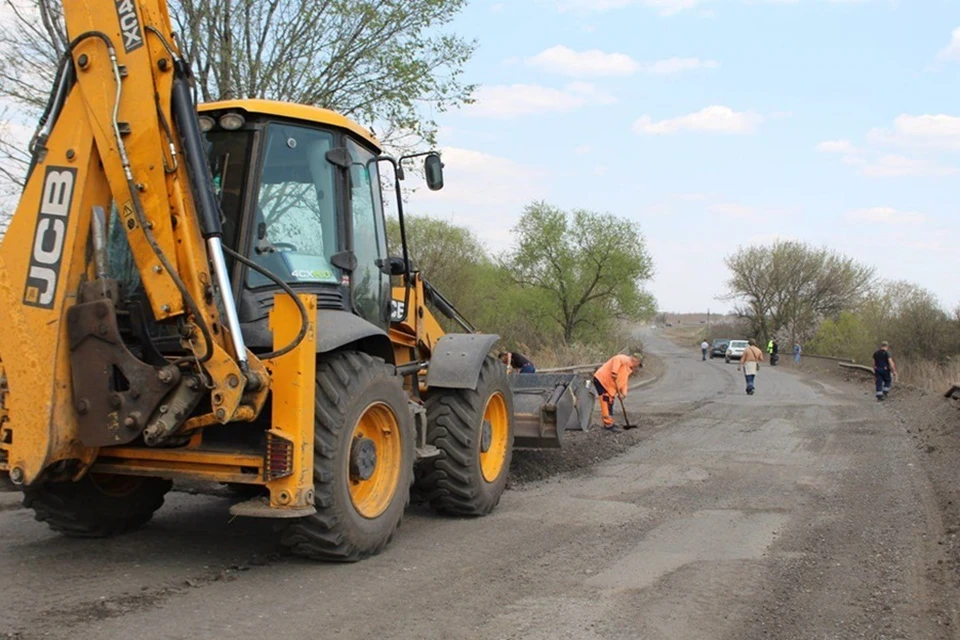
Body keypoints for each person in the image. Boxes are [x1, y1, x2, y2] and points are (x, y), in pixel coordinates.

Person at [593, 353, 643, 432]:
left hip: (609, 386)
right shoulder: (624, 359)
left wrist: (623, 394)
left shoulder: (628, 369)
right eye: (638, 364)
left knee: (610, 401)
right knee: (605, 400)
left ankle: (610, 422)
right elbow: (616, 359)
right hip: (602, 380)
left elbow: (624, 382)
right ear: (635, 360)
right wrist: (614, 372)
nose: (637, 367)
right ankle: (608, 425)